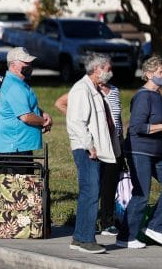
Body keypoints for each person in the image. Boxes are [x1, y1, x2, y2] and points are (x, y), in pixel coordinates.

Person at [54, 77, 124, 236]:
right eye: (106, 67)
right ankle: (90, 225)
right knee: (94, 185)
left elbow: (117, 119)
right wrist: (75, 116)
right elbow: (59, 103)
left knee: (110, 184)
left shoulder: (114, 90)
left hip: (115, 143)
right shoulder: (87, 90)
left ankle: (108, 221)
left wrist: (121, 141)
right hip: (97, 142)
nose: (109, 72)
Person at [66, 53, 119, 254]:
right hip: (86, 149)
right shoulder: (82, 90)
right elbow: (77, 122)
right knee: (91, 191)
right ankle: (85, 239)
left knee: (91, 191)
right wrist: (90, 146)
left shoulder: (94, 90)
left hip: (94, 149)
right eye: (108, 68)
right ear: (97, 69)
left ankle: (80, 237)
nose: (110, 72)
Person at [116, 55, 162, 249]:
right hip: (139, 151)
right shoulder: (143, 96)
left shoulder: (156, 95)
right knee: (141, 194)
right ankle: (126, 237)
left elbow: (157, 123)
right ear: (148, 74)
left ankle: (155, 227)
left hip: (155, 152)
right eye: (159, 72)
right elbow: (137, 127)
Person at [0, 47, 52, 173]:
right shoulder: (14, 86)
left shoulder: (19, 83)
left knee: (24, 189)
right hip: (14, 149)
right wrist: (44, 122)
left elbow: (24, 106)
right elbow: (25, 116)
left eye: (29, 62)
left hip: (20, 146)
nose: (29, 65)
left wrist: (42, 113)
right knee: (16, 191)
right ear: (13, 65)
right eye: (25, 62)